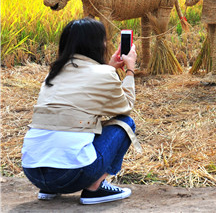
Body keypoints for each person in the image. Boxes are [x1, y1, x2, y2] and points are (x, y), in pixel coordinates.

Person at [21, 18, 139, 205]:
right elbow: (125, 107)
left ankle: (50, 189)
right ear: (98, 44)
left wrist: (108, 68)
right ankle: (95, 188)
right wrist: (130, 70)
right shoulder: (104, 74)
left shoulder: (53, 74)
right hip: (72, 174)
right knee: (125, 123)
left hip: (33, 173)